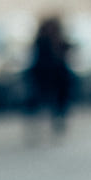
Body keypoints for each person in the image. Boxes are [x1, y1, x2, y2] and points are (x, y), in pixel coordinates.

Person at [23, 12, 73, 141]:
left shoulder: (50, 38)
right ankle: (54, 120)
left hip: (49, 75)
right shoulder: (45, 39)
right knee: (47, 100)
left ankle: (54, 120)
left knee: (48, 100)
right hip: (48, 75)